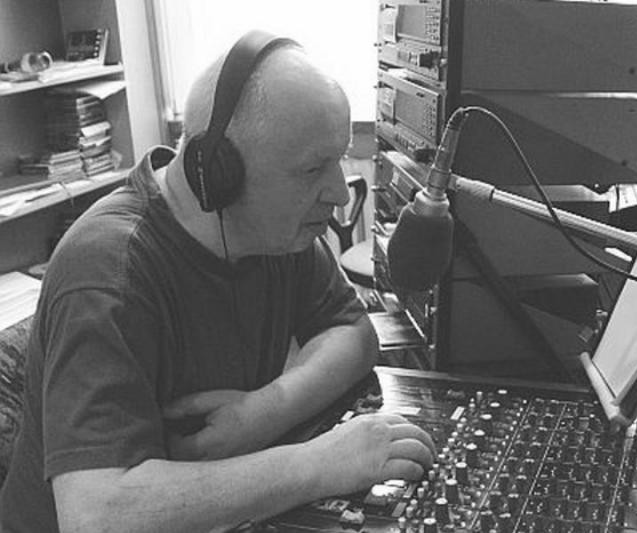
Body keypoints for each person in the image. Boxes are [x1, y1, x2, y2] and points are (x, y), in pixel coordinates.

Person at [0, 33, 435, 532]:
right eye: (313, 169)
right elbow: (97, 515)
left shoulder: (273, 232)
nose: (338, 193)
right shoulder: (108, 270)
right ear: (217, 172)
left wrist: (265, 411)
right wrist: (317, 464)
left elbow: (353, 334)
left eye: (338, 160)